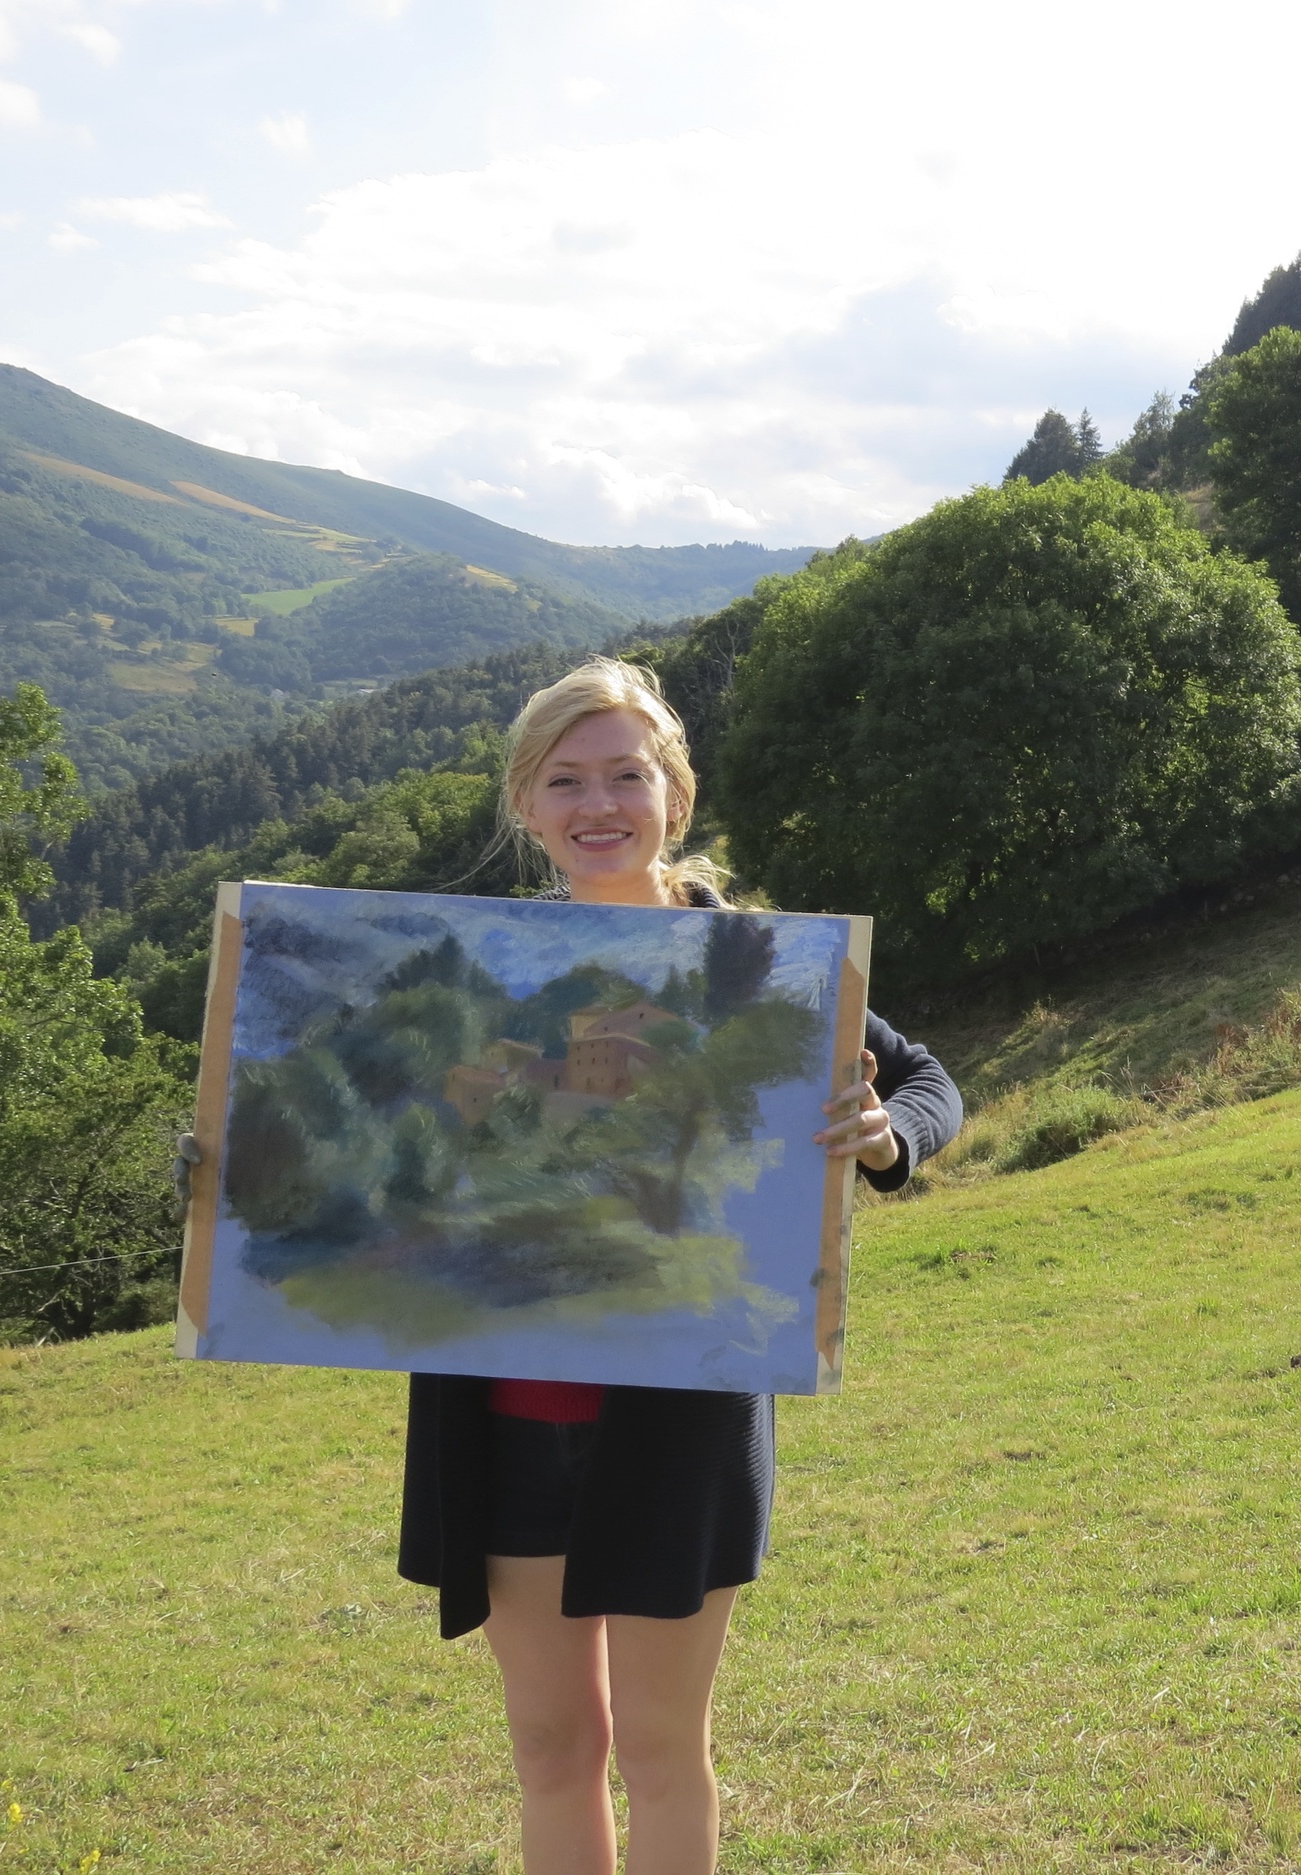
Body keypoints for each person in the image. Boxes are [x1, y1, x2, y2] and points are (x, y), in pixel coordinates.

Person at [374, 658, 961, 1875]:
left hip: (679, 1412)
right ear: (526, 807)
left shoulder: (757, 962)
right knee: (549, 1744)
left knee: (654, 1742)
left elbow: (924, 1080)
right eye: (565, 780)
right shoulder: (470, 962)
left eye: (625, 775)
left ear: (673, 797)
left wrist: (886, 1138)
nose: (599, 804)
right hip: (498, 1413)